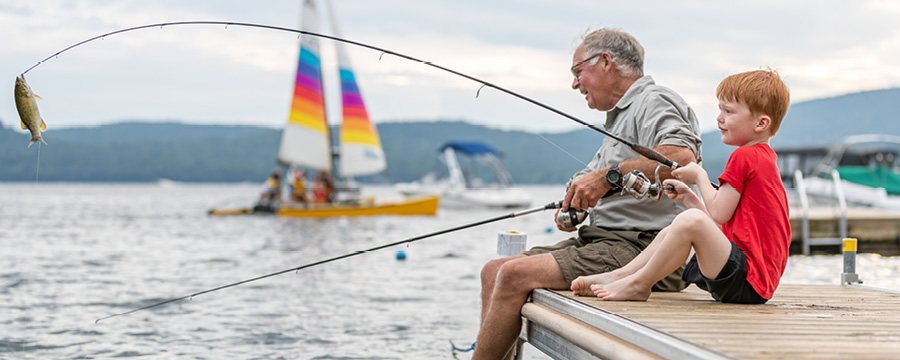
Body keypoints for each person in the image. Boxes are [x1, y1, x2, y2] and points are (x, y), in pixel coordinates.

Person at [473, 28, 702, 360]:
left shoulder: (653, 100)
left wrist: (606, 178)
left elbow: (681, 157)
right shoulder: (619, 120)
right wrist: (576, 203)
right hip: (602, 241)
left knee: (512, 274)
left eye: (577, 71)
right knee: (493, 271)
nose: (575, 84)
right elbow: (598, 178)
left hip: (644, 249)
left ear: (606, 62)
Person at [581, 69, 791, 304]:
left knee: (689, 220)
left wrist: (699, 175)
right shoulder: (764, 158)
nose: (719, 118)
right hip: (747, 279)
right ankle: (619, 276)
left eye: (729, 111)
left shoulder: (744, 157)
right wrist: (691, 198)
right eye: (720, 109)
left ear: (761, 123)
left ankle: (639, 284)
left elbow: (719, 213)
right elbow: (723, 224)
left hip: (747, 279)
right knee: (672, 228)